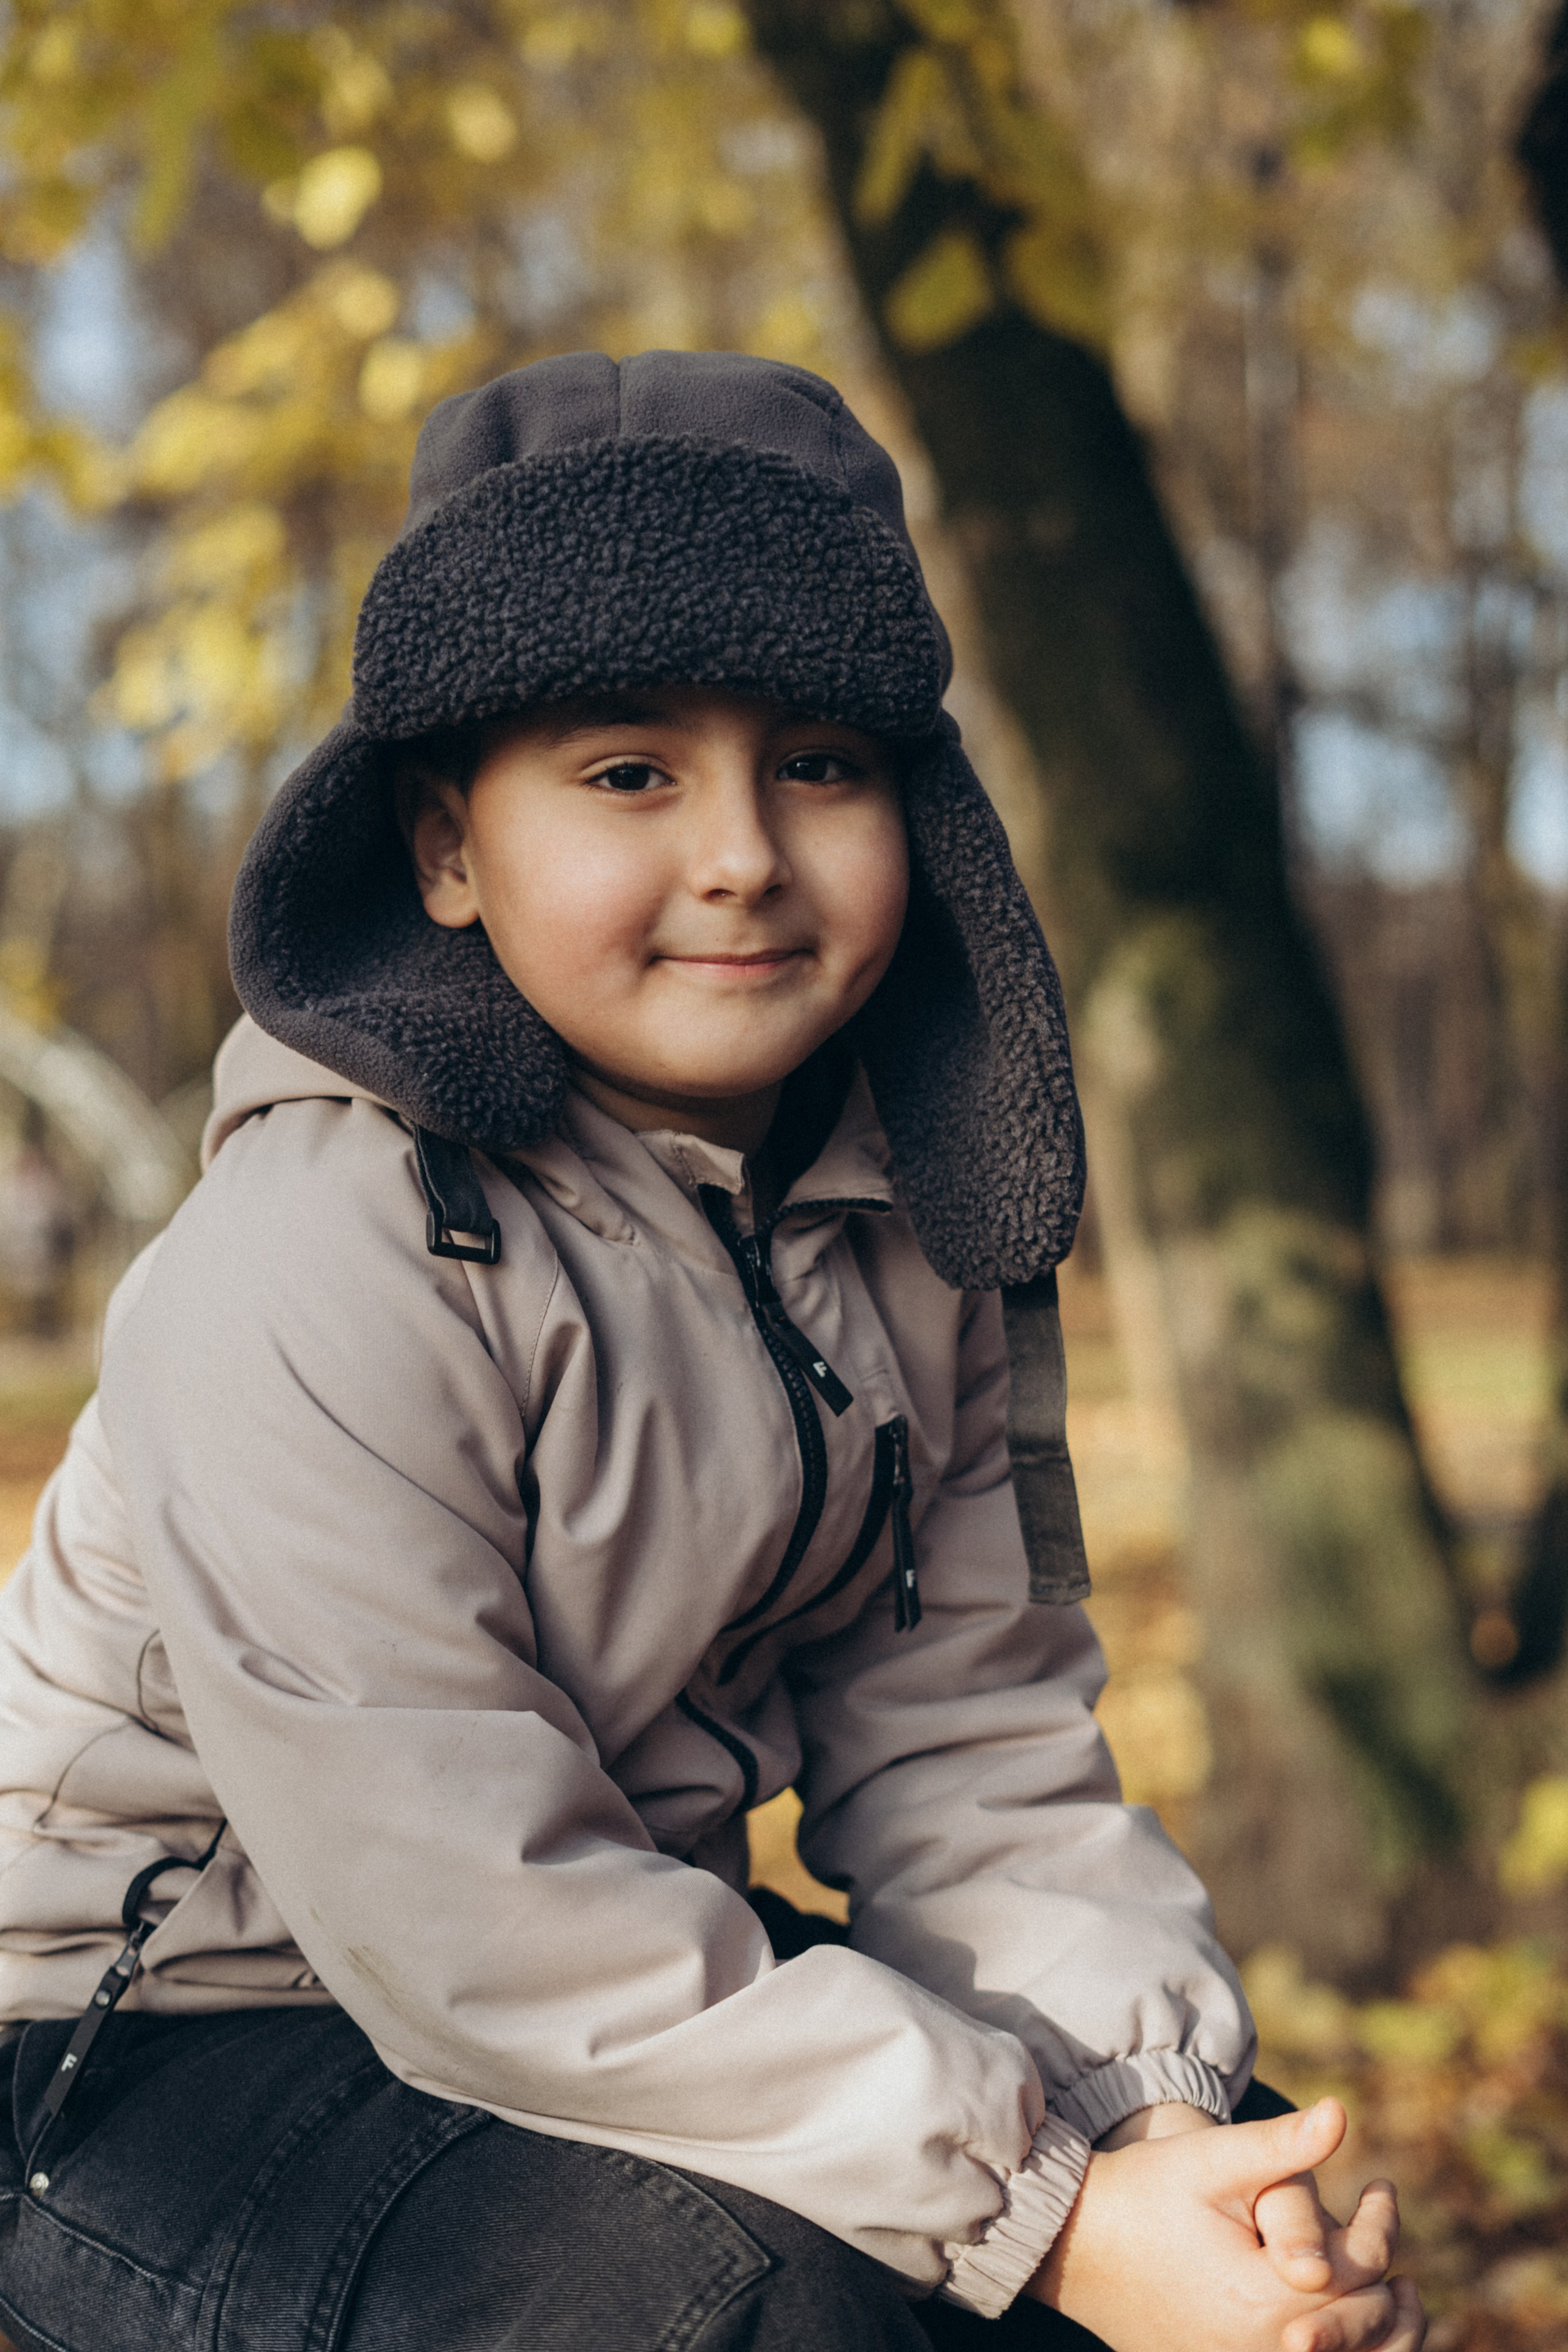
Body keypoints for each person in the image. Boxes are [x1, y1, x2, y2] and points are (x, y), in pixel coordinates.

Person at [0, 352, 1423, 2352]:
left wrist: (1141, 2132)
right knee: (745, 2313)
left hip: (608, 1954)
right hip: (149, 2040)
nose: (746, 852)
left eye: (822, 762)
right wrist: (1044, 2220)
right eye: (628, 773)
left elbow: (977, 1745)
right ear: (445, 848)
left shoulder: (920, 1232)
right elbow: (463, 1912)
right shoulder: (308, 1258)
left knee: (1233, 2206)